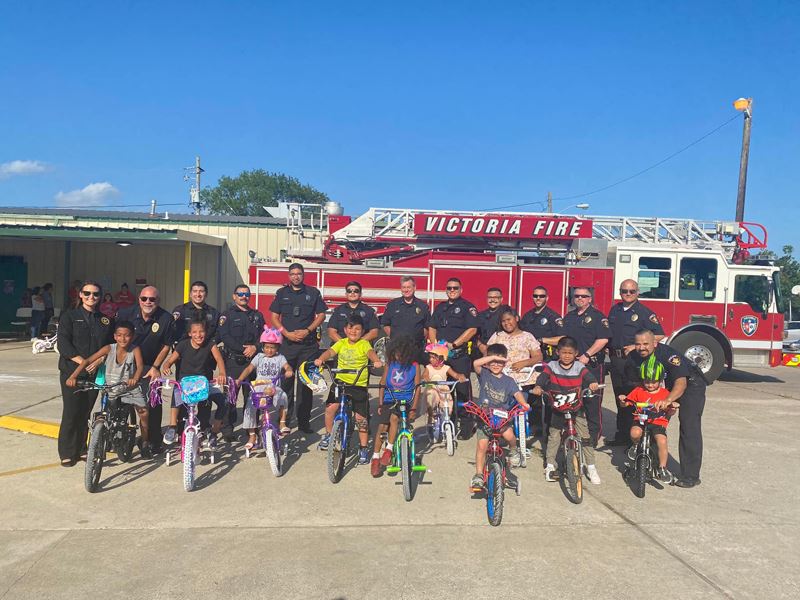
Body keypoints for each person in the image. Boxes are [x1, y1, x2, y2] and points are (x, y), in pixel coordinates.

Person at [624, 329, 707, 488]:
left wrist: (668, 400)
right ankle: (651, 464)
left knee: (689, 426)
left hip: (690, 385)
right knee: (653, 422)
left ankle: (690, 475)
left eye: (646, 344)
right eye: (638, 344)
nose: (641, 348)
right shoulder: (634, 356)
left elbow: (681, 383)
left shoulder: (669, 356)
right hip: (663, 387)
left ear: (655, 343)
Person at [65, 321, 151, 458]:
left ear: (132, 336)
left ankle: (145, 441)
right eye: (119, 335)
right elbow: (87, 361)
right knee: (105, 413)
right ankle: (101, 439)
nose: (123, 339)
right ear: (115, 336)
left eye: (127, 335)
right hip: (110, 388)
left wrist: (135, 377)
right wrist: (73, 376)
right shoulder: (109, 349)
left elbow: (140, 366)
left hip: (129, 387)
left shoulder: (135, 350)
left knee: (144, 412)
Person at [56, 280, 115, 466]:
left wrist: (99, 360)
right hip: (72, 372)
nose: (92, 297)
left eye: (95, 294)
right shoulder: (69, 316)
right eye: (87, 293)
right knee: (72, 411)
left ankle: (82, 448)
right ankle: (67, 452)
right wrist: (83, 362)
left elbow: (109, 347)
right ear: (80, 295)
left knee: (85, 412)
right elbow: (63, 343)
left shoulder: (105, 320)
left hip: (94, 373)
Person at [532, 336, 602, 484]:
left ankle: (591, 466)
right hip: (558, 407)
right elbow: (543, 378)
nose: (567, 356)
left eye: (570, 353)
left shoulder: (579, 367)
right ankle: (550, 465)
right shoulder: (552, 366)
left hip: (576, 407)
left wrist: (593, 383)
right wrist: (538, 386)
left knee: (585, 437)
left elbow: (589, 377)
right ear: (558, 352)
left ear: (576, 353)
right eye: (563, 352)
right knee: (554, 436)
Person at [314, 315, 382, 465]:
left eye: (358, 329)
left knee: (360, 419)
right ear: (345, 330)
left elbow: (370, 353)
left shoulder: (364, 344)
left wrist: (376, 360)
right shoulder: (341, 343)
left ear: (362, 331)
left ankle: (363, 447)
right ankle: (329, 435)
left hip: (358, 384)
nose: (354, 331)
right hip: (340, 381)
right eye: (350, 328)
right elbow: (330, 352)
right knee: (331, 408)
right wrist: (321, 358)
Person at [605, 279, 665, 446]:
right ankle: (622, 435)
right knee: (621, 399)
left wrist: (636, 346)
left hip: (634, 362)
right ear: (620, 292)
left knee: (636, 399)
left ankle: (636, 439)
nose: (628, 294)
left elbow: (659, 335)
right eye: (624, 291)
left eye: (632, 291)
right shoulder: (615, 310)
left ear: (638, 292)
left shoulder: (644, 312)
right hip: (616, 360)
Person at [117, 285, 175, 454]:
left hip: (150, 366)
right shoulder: (125, 314)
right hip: (126, 364)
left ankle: (153, 441)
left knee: (153, 403)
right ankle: (118, 438)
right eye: (144, 298)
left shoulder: (166, 318)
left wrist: (156, 367)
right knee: (118, 401)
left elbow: (166, 345)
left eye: (152, 299)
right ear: (139, 299)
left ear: (158, 301)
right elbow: (116, 339)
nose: (148, 302)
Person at [270, 264, 327, 434]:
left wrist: (308, 330)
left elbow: (322, 314)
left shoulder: (313, 293)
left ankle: (304, 423)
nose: (296, 277)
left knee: (306, 386)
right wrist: (286, 333)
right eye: (293, 274)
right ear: (289, 276)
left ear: (303, 275)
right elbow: (274, 317)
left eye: (299, 274)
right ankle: (284, 421)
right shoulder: (282, 293)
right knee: (285, 385)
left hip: (308, 346)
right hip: (288, 345)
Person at [469, 344, 530, 491]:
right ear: (488, 361)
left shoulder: (509, 381)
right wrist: (495, 357)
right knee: (482, 446)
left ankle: (514, 451)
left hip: (502, 419)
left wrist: (524, 404)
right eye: (493, 362)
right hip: (485, 418)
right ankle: (478, 475)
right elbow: (475, 363)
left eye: (500, 362)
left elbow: (517, 394)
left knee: (509, 436)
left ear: (505, 363)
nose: (496, 364)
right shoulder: (484, 374)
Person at [160, 320, 228, 450]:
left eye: (201, 331)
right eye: (195, 332)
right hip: (185, 383)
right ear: (190, 333)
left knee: (223, 402)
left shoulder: (210, 344)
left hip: (204, 382)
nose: (198, 335)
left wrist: (222, 373)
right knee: (176, 393)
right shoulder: (182, 345)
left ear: (206, 332)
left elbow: (219, 359)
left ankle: (213, 432)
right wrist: (166, 367)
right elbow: (168, 362)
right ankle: (172, 427)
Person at [555, 287, 609, 447]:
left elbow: (603, 340)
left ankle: (593, 437)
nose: (579, 298)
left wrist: (586, 355)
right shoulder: (570, 317)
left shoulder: (598, 317)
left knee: (592, 402)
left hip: (591, 365)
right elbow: (563, 338)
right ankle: (570, 432)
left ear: (590, 299)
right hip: (571, 367)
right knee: (571, 400)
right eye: (576, 296)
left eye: (583, 296)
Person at [428, 277, 479, 439]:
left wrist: (455, 344)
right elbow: (432, 327)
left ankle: (466, 425)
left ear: (461, 289)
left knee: (462, 391)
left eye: (455, 288)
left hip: (459, 356)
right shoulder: (440, 308)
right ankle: (446, 421)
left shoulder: (467, 307)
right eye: (449, 288)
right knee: (442, 390)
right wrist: (435, 347)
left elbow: (472, 329)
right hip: (442, 358)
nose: (452, 290)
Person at [619, 355, 676, 483]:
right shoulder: (638, 391)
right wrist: (623, 400)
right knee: (634, 433)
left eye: (654, 381)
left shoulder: (665, 394)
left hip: (657, 422)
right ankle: (634, 445)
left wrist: (673, 407)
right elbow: (627, 403)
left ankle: (662, 468)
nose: (650, 385)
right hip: (641, 420)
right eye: (647, 381)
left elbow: (671, 410)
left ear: (660, 380)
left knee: (662, 441)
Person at [235, 327, 294, 449]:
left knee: (283, 396)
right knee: (250, 407)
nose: (269, 350)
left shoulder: (280, 358)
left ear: (277, 348)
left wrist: (289, 371)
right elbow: (249, 369)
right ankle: (252, 435)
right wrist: (240, 379)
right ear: (262, 346)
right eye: (267, 347)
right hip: (258, 387)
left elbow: (287, 366)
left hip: (273, 387)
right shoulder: (259, 357)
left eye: (272, 347)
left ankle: (282, 423)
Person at [373, 335, 421, 477]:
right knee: (382, 426)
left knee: (394, 418)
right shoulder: (390, 364)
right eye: (396, 353)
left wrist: (414, 407)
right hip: (389, 398)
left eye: (402, 354)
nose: (399, 356)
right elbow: (382, 383)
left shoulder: (414, 366)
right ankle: (375, 458)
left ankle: (389, 449)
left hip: (405, 400)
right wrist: (381, 402)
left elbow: (418, 388)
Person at [422, 342, 466, 439]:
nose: (431, 360)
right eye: (430, 357)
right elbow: (425, 375)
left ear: (441, 358)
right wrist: (427, 379)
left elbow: (455, 375)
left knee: (448, 404)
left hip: (443, 389)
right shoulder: (428, 367)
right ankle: (430, 421)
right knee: (431, 402)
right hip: (432, 388)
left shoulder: (446, 368)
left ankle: (446, 419)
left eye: (434, 358)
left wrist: (460, 376)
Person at [380, 276, 430, 360]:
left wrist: (418, 338)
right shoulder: (393, 305)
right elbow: (385, 324)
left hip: (415, 348)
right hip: (396, 348)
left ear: (414, 288)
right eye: (404, 287)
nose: (406, 290)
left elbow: (427, 327)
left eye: (408, 287)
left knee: (414, 370)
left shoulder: (422, 306)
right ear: (401, 289)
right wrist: (395, 337)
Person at [519, 286, 562, 362]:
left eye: (542, 296)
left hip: (547, 358)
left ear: (547, 298)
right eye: (535, 296)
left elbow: (562, 339)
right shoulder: (527, 316)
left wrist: (542, 340)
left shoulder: (553, 316)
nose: (538, 298)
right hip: (528, 358)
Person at [474, 288, 511, 356]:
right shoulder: (481, 315)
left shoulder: (507, 312)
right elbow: (474, 334)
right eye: (490, 297)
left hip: (502, 351)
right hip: (483, 352)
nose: (492, 300)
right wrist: (480, 346)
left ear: (501, 299)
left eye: (496, 297)